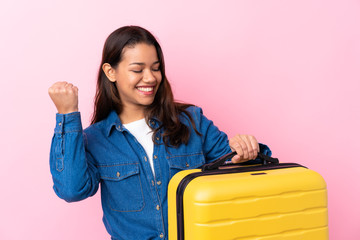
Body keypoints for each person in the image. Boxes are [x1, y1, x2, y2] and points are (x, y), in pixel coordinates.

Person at [48, 26, 271, 240]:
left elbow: (240, 170)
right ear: (110, 72)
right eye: (138, 69)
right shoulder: (95, 139)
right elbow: (72, 190)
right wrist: (67, 115)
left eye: (155, 68)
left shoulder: (192, 121)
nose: (150, 78)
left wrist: (247, 151)